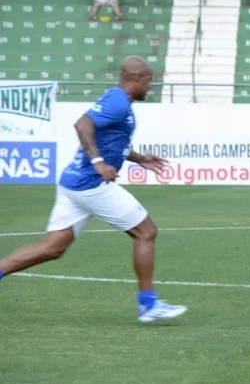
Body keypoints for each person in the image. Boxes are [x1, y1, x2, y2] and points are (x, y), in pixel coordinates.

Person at [0, 57, 186, 323]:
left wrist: (140, 158)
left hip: (72, 183)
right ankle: (149, 304)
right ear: (136, 77)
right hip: (91, 185)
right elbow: (82, 125)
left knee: (52, 248)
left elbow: (110, 139)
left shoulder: (116, 99)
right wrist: (99, 163)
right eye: (149, 80)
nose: (151, 86)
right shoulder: (118, 102)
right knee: (146, 232)